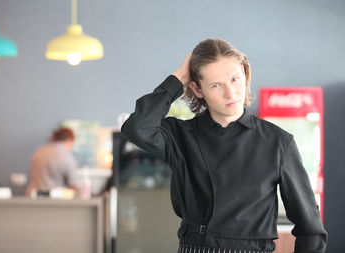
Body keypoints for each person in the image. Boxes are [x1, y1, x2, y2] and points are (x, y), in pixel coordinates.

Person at [121, 39, 327, 253]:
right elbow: (137, 128)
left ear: (245, 74)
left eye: (235, 79)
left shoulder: (278, 142)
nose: (231, 93)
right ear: (197, 90)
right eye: (216, 85)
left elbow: (310, 229)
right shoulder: (181, 136)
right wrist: (177, 79)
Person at [26, 127, 79, 196]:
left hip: (34, 196)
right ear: (69, 140)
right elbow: (72, 183)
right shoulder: (67, 156)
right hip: (54, 199)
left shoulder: (40, 151)